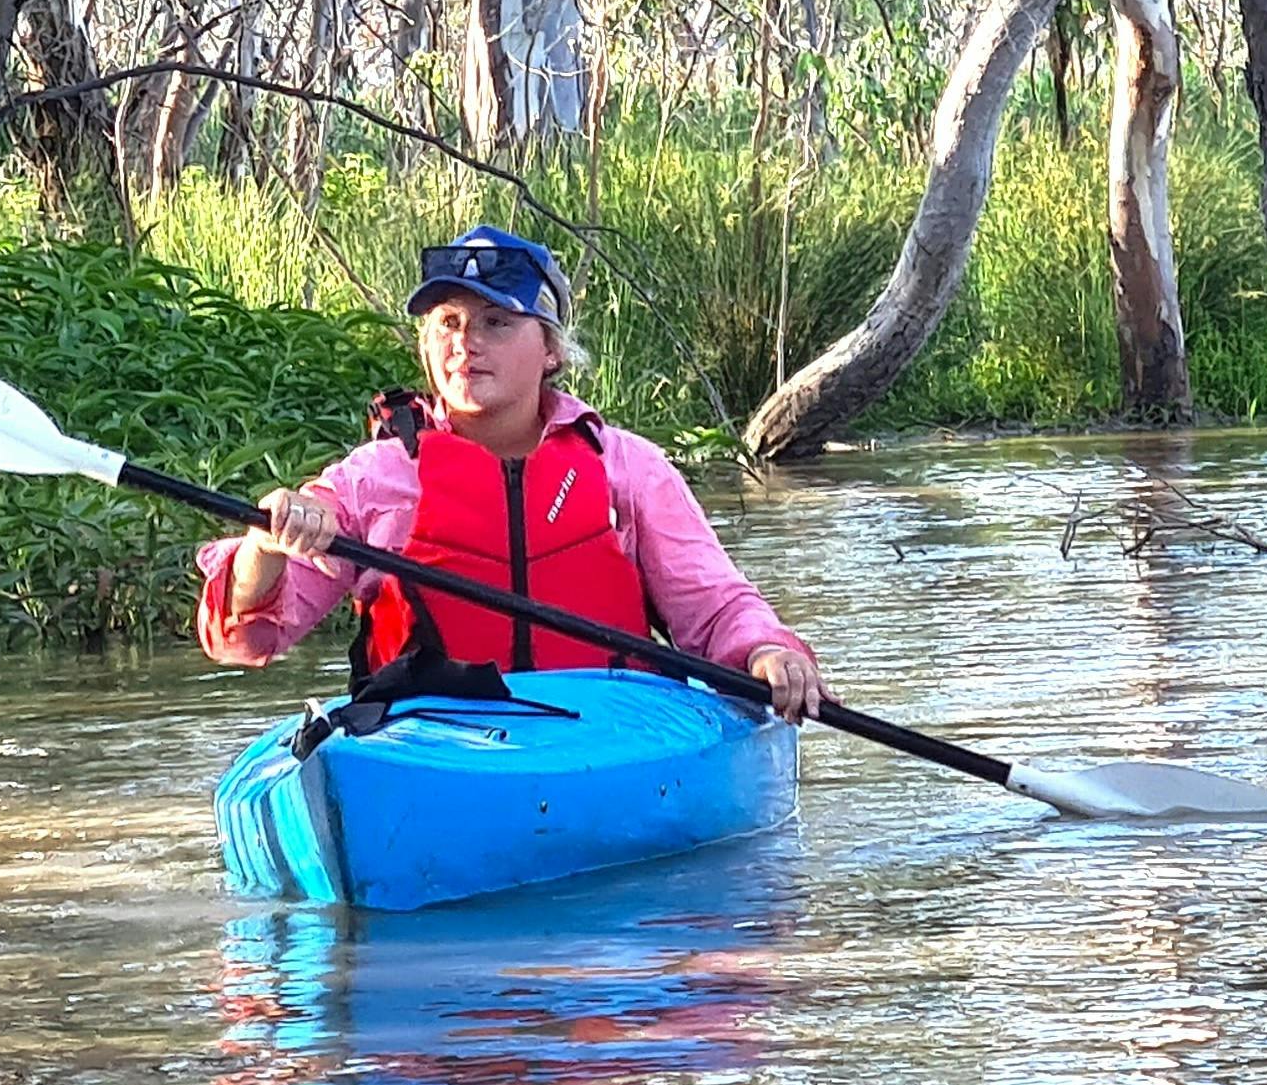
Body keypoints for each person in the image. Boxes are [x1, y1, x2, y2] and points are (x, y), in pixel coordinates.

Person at [197, 225, 828, 718]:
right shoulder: (373, 481)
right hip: (439, 746)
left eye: (497, 323)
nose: (464, 343)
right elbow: (246, 640)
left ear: (550, 348)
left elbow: (714, 609)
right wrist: (263, 546)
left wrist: (766, 651)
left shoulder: (626, 469)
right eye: (448, 322)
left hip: (607, 737)